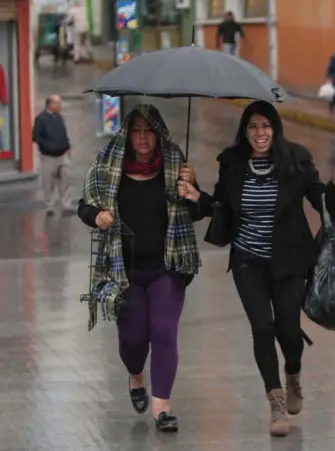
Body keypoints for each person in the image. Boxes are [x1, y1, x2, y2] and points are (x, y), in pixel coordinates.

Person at [178, 100, 335, 437]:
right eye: (253, 126)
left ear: (276, 129)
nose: (260, 133)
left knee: (288, 329)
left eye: (266, 126)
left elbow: (322, 202)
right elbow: (217, 208)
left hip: (289, 260)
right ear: (245, 132)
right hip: (247, 260)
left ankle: (293, 371)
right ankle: (275, 401)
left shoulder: (296, 160)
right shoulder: (232, 164)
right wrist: (192, 192)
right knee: (263, 328)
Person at [77, 104, 202, 432]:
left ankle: (162, 406)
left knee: (163, 331)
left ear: (158, 132)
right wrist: (97, 217)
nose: (143, 137)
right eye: (137, 130)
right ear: (127, 134)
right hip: (124, 272)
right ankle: (136, 374)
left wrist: (192, 191)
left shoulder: (175, 163)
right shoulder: (107, 163)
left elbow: (200, 211)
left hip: (167, 267)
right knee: (132, 340)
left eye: (149, 130)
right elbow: (83, 205)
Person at [32, 95, 74, 216]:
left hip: (62, 155)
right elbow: (36, 137)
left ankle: (66, 205)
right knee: (48, 182)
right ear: (50, 105)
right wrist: (46, 147)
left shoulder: (60, 118)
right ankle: (49, 206)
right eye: (58, 104)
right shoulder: (40, 119)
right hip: (48, 156)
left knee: (66, 179)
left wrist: (68, 147)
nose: (60, 106)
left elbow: (64, 134)